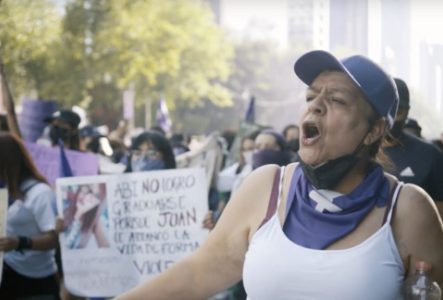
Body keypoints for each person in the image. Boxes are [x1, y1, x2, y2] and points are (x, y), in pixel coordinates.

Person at [115, 50, 443, 300]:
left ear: (373, 130)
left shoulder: (408, 210)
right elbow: (198, 274)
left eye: (337, 100)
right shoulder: (265, 186)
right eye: (311, 96)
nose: (315, 107)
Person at [0, 132, 59, 299]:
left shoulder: (40, 194)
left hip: (36, 281)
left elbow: (54, 238)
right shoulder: (5, 191)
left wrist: (20, 242)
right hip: (8, 276)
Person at [384, 78, 443, 217]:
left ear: (407, 111)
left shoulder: (431, 156)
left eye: (398, 112)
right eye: (387, 110)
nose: (391, 120)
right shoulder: (359, 153)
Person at [62, 183, 110, 249]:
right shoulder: (65, 208)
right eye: (85, 189)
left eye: (94, 196)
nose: (85, 197)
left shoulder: (97, 225)